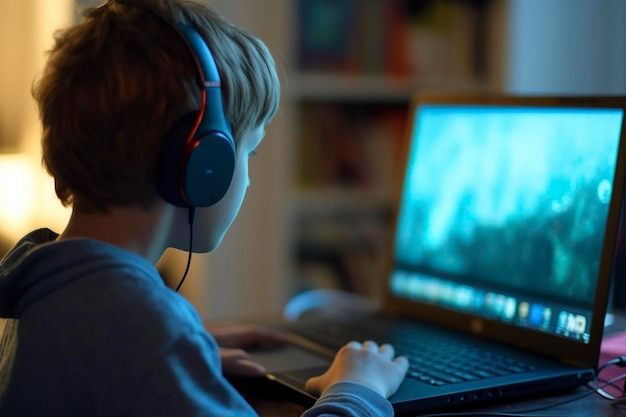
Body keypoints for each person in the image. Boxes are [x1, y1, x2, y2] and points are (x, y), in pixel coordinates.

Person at [0, 0, 409, 416]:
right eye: (250, 151)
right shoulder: (146, 335)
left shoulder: (43, 290)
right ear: (202, 165)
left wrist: (186, 358)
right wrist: (359, 389)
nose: (247, 176)